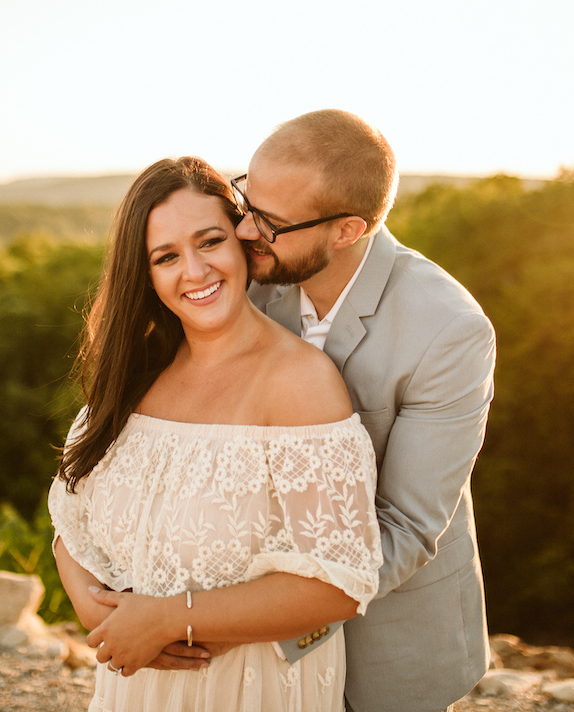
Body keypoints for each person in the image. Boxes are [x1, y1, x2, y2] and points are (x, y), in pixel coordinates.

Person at [48, 156, 383, 711]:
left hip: (252, 689)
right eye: (167, 256)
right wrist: (96, 610)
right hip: (134, 687)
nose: (195, 271)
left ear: (244, 243)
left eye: (209, 242)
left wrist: (167, 619)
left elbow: (339, 583)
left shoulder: (299, 383)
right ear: (146, 274)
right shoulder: (134, 377)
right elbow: (70, 521)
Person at [234, 109, 497, 712]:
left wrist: (246, 618)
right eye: (243, 195)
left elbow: (405, 526)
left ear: (348, 230)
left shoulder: (449, 330)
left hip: (389, 641)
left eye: (270, 222)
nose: (244, 230)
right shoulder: (248, 277)